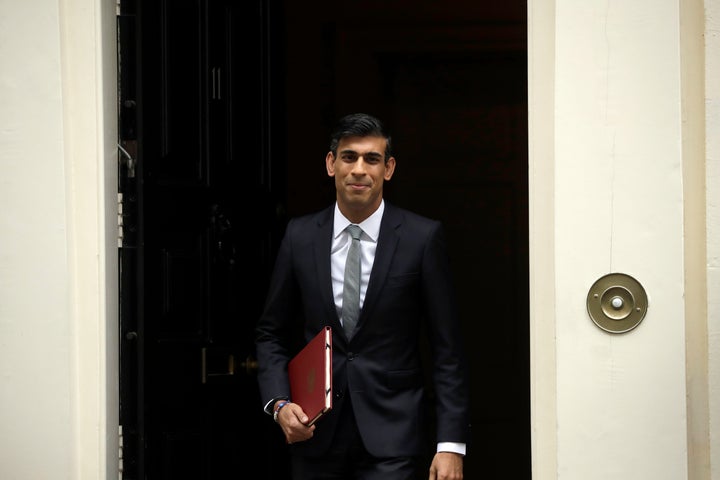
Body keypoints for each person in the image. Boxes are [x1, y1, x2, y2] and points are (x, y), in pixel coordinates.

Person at [255, 112, 470, 480]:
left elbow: (447, 349)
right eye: (349, 157)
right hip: (314, 432)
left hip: (393, 436)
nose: (359, 169)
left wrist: (450, 445)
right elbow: (270, 332)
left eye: (371, 159)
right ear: (330, 163)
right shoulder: (300, 236)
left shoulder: (421, 238)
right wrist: (278, 404)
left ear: (388, 169)